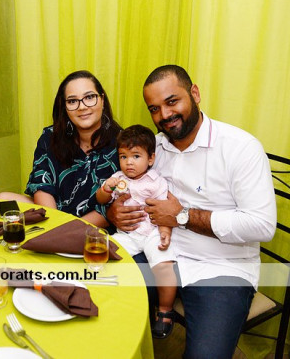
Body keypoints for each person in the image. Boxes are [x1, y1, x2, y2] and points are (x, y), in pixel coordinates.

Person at [107, 65, 277, 359]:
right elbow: (127, 189)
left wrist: (182, 216)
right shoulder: (154, 148)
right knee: (98, 295)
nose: (164, 115)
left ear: (194, 93)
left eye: (172, 101)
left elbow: (262, 225)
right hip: (157, 251)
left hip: (221, 268)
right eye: (154, 109)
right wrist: (114, 212)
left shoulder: (240, 148)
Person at [1, 70, 122, 225]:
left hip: (94, 224)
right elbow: (42, 186)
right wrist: (55, 225)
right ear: (64, 107)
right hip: (53, 214)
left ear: (102, 100)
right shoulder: (50, 137)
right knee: (1, 199)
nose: (82, 107)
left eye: (89, 97)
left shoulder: (123, 143)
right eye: (72, 101)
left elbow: (114, 208)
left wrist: (70, 230)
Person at [95, 124, 177, 338]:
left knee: (164, 267)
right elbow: (100, 199)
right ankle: (97, 294)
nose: (128, 162)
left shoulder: (156, 182)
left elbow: (165, 211)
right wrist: (106, 189)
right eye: (123, 156)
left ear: (151, 159)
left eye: (136, 156)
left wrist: (165, 231)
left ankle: (165, 310)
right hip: (128, 234)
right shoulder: (118, 178)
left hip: (152, 233)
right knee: (103, 251)